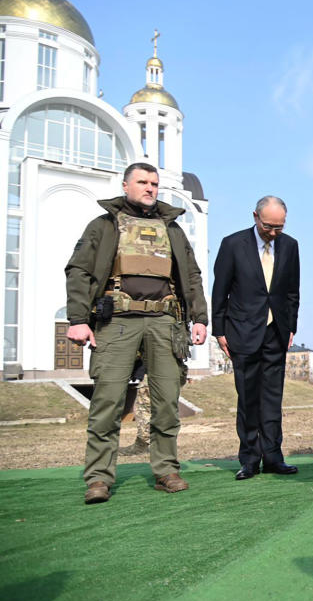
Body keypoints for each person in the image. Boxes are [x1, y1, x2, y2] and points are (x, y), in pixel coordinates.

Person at [66, 162, 208, 504]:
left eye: (154, 183)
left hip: (164, 322)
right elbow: (79, 270)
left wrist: (200, 317)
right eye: (142, 182)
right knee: (108, 402)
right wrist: (77, 318)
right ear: (126, 185)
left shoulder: (172, 228)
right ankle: (99, 479)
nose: (150, 188)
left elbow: (191, 275)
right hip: (116, 322)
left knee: (166, 402)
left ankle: (166, 471)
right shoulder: (104, 225)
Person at [212, 196, 301, 480]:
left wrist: (291, 327)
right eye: (268, 226)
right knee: (249, 397)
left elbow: (292, 292)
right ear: (255, 217)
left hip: (277, 332)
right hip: (242, 331)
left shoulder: (290, 246)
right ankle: (249, 458)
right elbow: (220, 290)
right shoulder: (232, 244)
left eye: (279, 227)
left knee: (273, 398)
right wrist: (219, 329)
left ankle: (274, 456)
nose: (273, 233)